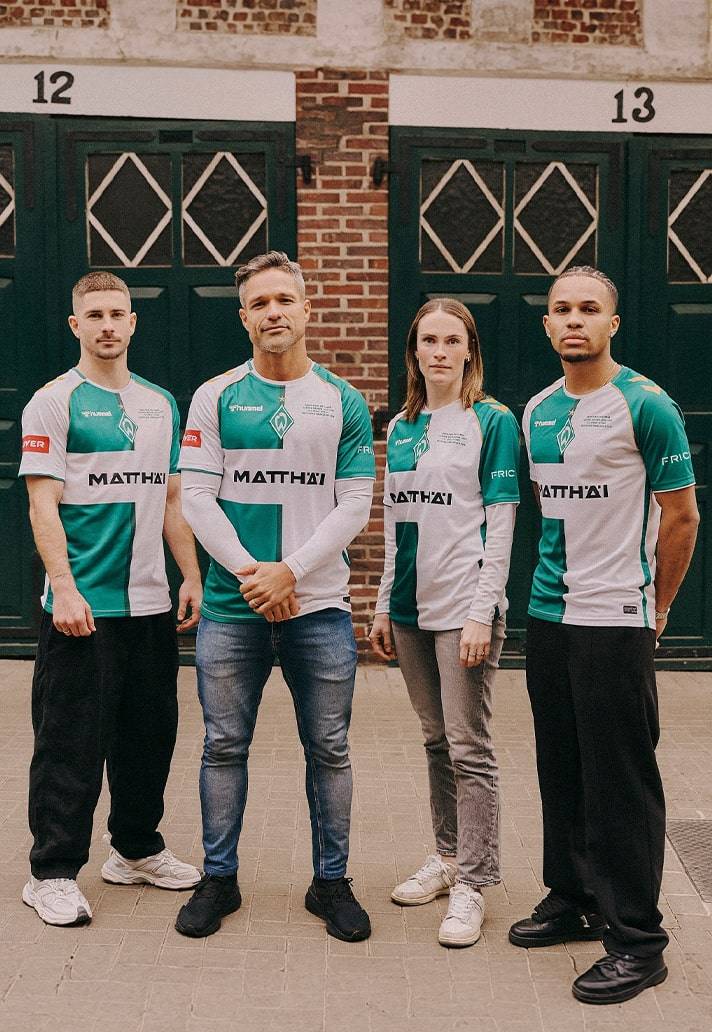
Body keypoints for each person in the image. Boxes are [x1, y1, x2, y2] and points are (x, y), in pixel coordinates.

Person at [511, 266, 699, 1004]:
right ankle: (575, 898)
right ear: (546, 324)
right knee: (561, 767)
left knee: (620, 781)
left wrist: (658, 609)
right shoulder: (536, 409)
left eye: (588, 309)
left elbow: (682, 516)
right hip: (549, 614)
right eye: (562, 309)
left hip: (616, 618)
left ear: (612, 324)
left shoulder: (646, 404)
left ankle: (639, 942)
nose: (574, 320)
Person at [175, 251, 376, 942]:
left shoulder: (342, 400)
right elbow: (196, 498)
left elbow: (354, 504)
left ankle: (331, 883)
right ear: (244, 318)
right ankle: (219, 879)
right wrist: (253, 576)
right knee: (223, 745)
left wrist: (290, 571)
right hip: (233, 609)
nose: (273, 313)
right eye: (259, 303)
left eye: (284, 300)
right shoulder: (215, 396)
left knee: (330, 748)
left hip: (319, 608)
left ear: (306, 309)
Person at [18, 271, 203, 927]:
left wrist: (192, 575)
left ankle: (135, 850)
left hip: (149, 607)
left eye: (116, 313)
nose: (106, 325)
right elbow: (42, 504)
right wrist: (64, 589)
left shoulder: (161, 403)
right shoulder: (53, 402)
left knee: (148, 737)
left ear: (132, 322)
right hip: (82, 609)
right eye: (93, 315)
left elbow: (173, 499)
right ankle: (51, 873)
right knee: (70, 745)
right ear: (76, 325)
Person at [369, 298, 520, 948]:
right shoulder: (403, 426)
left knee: (469, 746)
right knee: (436, 741)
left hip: (465, 609)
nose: (438, 351)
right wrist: (382, 603)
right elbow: (396, 524)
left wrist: (484, 610)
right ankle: (448, 855)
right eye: (427, 340)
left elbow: (502, 521)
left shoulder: (492, 421)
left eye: (451, 340)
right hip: (410, 609)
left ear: (469, 351)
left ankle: (474, 884)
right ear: (414, 352)